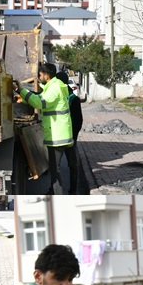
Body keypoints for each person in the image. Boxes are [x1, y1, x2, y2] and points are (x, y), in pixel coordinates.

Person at [13, 63, 76, 195]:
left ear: (46, 76)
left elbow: (39, 103)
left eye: (40, 75)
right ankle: (53, 192)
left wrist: (22, 91)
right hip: (58, 133)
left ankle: (57, 196)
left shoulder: (54, 89)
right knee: (55, 168)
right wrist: (23, 99)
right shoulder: (53, 86)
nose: (39, 77)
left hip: (58, 136)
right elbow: (41, 99)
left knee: (55, 169)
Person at [58, 68, 83, 196]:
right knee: (58, 166)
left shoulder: (73, 99)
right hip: (60, 137)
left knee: (71, 165)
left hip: (67, 139)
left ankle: (72, 190)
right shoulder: (58, 96)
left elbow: (78, 121)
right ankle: (56, 190)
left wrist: (73, 137)